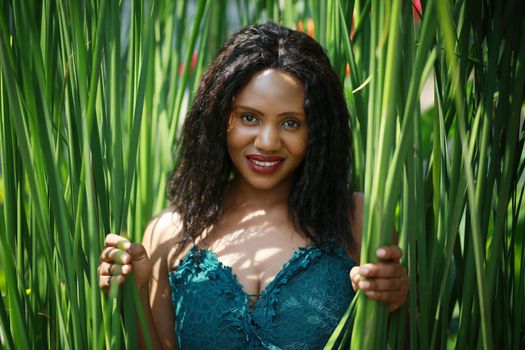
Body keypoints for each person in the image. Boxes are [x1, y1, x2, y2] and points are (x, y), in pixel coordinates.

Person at [98, 22, 409, 349]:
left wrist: (399, 301)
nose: (268, 142)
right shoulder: (168, 232)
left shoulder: (358, 218)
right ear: (219, 117)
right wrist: (132, 294)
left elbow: (406, 337)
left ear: (317, 130)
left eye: (291, 123)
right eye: (250, 117)